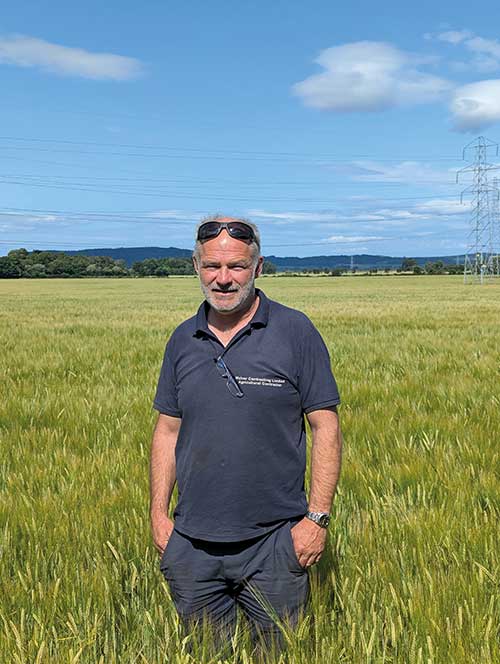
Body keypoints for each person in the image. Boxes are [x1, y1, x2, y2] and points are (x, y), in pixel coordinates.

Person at [150, 214, 342, 652]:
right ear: (195, 267)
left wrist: (316, 520)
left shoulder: (295, 331)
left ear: (258, 268)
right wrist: (159, 516)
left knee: (278, 655)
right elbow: (166, 429)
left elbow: (325, 426)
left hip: (274, 543)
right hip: (192, 546)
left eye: (236, 266)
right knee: (204, 654)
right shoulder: (182, 339)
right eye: (211, 266)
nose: (223, 279)